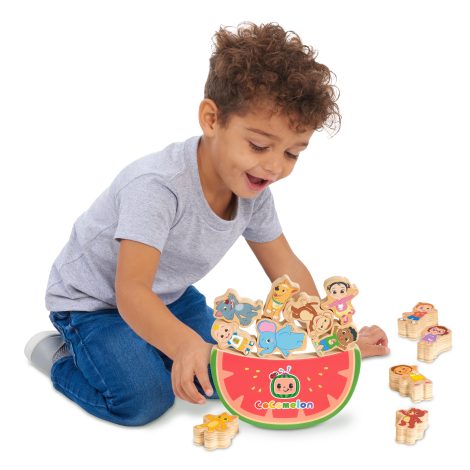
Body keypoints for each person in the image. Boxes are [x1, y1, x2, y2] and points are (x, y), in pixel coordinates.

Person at [24, 22, 390, 426]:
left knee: (230, 371)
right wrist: (183, 345)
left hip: (169, 295)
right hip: (95, 304)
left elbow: (287, 269)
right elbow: (130, 292)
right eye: (259, 145)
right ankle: (61, 357)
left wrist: (335, 337)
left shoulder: (254, 192)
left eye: (292, 153)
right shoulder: (156, 187)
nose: (274, 166)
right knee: (146, 400)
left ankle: (147, 348)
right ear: (212, 119)